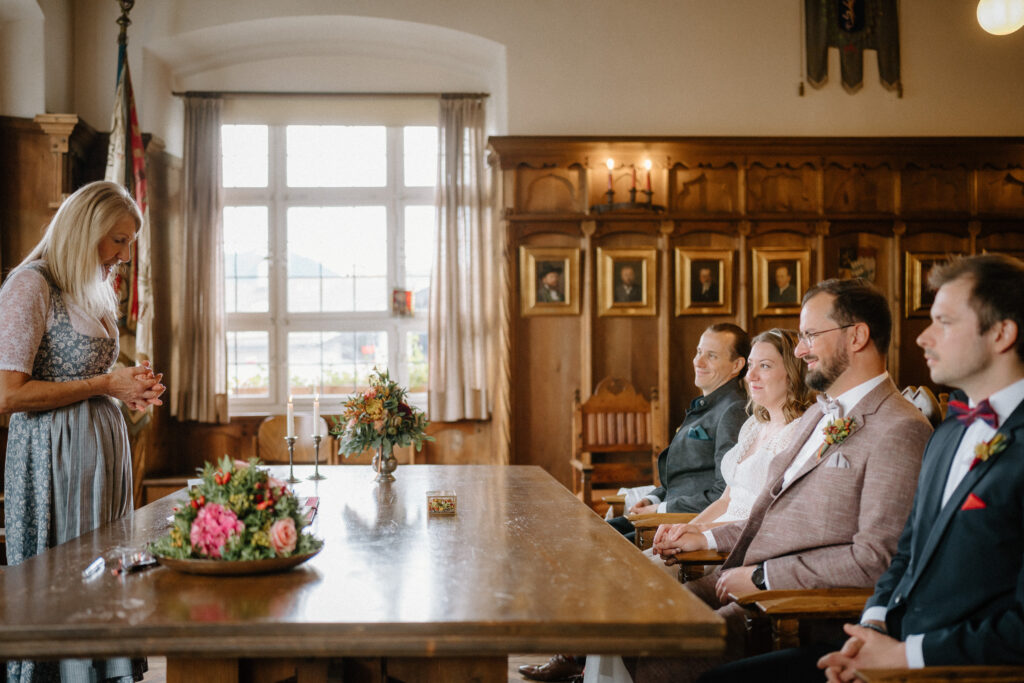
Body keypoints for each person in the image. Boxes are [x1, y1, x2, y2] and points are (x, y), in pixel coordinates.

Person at [635, 278, 933, 682]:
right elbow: (774, 518)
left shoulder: (898, 427)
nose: (799, 349)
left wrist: (762, 577)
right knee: (632, 616)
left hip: (791, 608)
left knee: (655, 660)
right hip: (736, 572)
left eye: (810, 334)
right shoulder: (818, 415)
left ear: (858, 336)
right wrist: (703, 538)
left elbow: (876, 560)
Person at [813, 254, 1024, 682]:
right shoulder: (948, 433)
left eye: (944, 322)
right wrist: (873, 625)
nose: (923, 338)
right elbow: (907, 552)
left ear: (1002, 333)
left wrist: (907, 656)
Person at [0, 180, 166, 683]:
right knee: (64, 575)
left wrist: (128, 389)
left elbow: (94, 380)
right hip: (53, 458)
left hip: (100, 455)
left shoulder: (91, 285)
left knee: (104, 574)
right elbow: (8, 396)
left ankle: (101, 670)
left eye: (129, 243)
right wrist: (106, 383)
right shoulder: (32, 285)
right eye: (118, 240)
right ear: (85, 229)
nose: (124, 254)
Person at [519, 324, 750, 683]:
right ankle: (581, 655)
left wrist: (662, 510)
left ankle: (577, 657)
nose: (698, 360)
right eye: (698, 351)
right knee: (587, 542)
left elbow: (724, 489)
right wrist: (654, 495)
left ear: (737, 366)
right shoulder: (706, 405)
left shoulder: (732, 410)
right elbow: (684, 474)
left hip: (682, 523)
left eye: (712, 355)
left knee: (601, 561)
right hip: (664, 508)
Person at [652, 328, 814, 558]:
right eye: (751, 365)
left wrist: (702, 535)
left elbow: (772, 520)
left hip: (739, 548)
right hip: (711, 534)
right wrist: (687, 529)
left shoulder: (799, 433)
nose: (751, 376)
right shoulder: (753, 426)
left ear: (792, 373)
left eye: (765, 366)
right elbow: (726, 499)